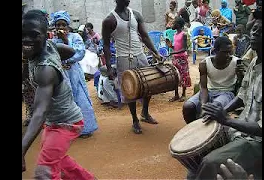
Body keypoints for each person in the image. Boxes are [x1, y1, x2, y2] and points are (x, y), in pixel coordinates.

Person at [22, 9, 95, 179]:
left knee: (44, 173)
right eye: (23, 34)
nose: (26, 39)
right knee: (58, 160)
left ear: (45, 35)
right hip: (55, 121)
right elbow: (69, 50)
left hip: (65, 123)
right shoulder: (49, 46)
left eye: (33, 35)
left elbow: (40, 111)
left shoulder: (45, 69)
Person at [186, 16, 262, 180]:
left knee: (209, 162)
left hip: (256, 141)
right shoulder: (255, 62)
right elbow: (242, 95)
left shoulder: (239, 62)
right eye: (254, 29)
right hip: (240, 131)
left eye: (260, 31)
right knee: (197, 153)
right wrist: (220, 111)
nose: (255, 32)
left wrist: (226, 120)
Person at [102, 0, 161, 134]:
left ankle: (145, 113)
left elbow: (144, 36)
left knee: (149, 85)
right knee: (130, 91)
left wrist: (156, 53)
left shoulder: (136, 14)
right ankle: (135, 120)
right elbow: (105, 45)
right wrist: (109, 67)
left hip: (140, 55)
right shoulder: (109, 20)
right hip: (123, 58)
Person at [52, 10, 98, 138]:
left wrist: (65, 40)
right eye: (58, 25)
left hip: (73, 72)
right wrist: (60, 63)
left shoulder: (75, 37)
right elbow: (51, 55)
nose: (61, 27)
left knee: (80, 97)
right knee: (64, 100)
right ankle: (66, 130)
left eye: (63, 24)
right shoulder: (53, 41)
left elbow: (79, 53)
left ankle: (85, 129)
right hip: (60, 74)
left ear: (68, 25)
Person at [182, 36, 244, 124]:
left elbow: (241, 86)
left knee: (214, 107)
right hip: (209, 91)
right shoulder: (204, 63)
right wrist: (203, 105)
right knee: (188, 107)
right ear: (215, 51)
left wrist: (240, 75)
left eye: (230, 52)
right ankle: (193, 129)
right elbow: (203, 87)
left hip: (227, 93)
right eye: (224, 52)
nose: (228, 55)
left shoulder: (236, 62)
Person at [167, 17, 191, 102]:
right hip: (176, 58)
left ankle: (183, 94)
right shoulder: (175, 35)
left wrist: (173, 53)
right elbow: (176, 47)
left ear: (179, 25)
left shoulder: (183, 34)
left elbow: (184, 49)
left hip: (182, 58)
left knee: (183, 75)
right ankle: (176, 94)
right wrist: (171, 46)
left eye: (174, 23)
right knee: (175, 76)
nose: (172, 25)